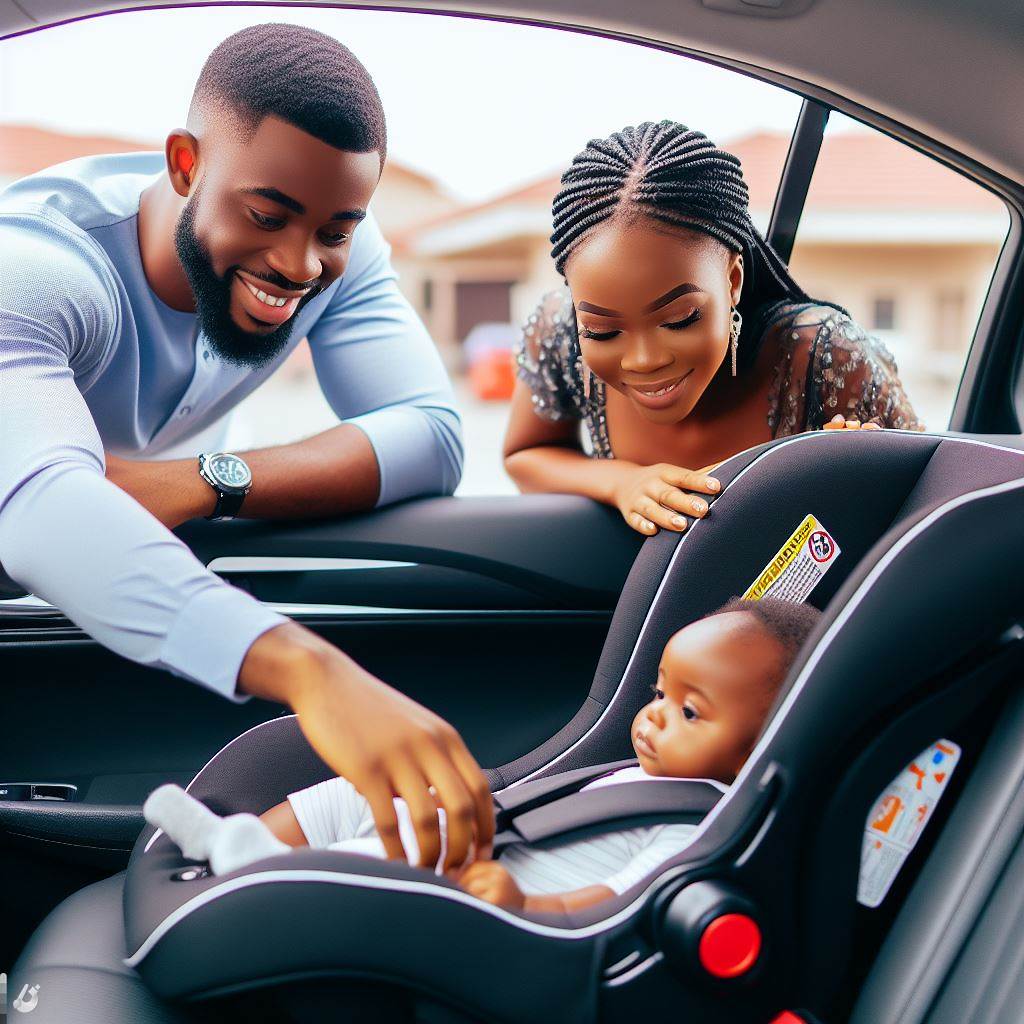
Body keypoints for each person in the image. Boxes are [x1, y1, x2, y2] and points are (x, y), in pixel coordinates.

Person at [0, 24, 492, 871]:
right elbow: (39, 505)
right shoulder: (38, 269)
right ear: (186, 165)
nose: (300, 266)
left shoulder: (337, 249)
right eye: (267, 216)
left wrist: (203, 481)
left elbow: (431, 433)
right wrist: (311, 671)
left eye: (335, 230)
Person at [145, 597, 821, 916]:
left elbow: (621, 903)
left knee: (381, 870)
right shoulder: (636, 774)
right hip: (476, 847)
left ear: (766, 744)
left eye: (689, 711)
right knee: (374, 791)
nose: (652, 714)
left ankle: (257, 877)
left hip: (474, 908)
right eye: (658, 692)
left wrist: (526, 906)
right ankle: (252, 841)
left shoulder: (695, 830)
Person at [504, 121, 922, 537]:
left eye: (679, 319)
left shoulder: (823, 356)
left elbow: (927, 503)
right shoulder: (560, 332)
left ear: (733, 280)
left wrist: (855, 477)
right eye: (601, 331)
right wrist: (623, 482)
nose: (645, 360)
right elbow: (526, 454)